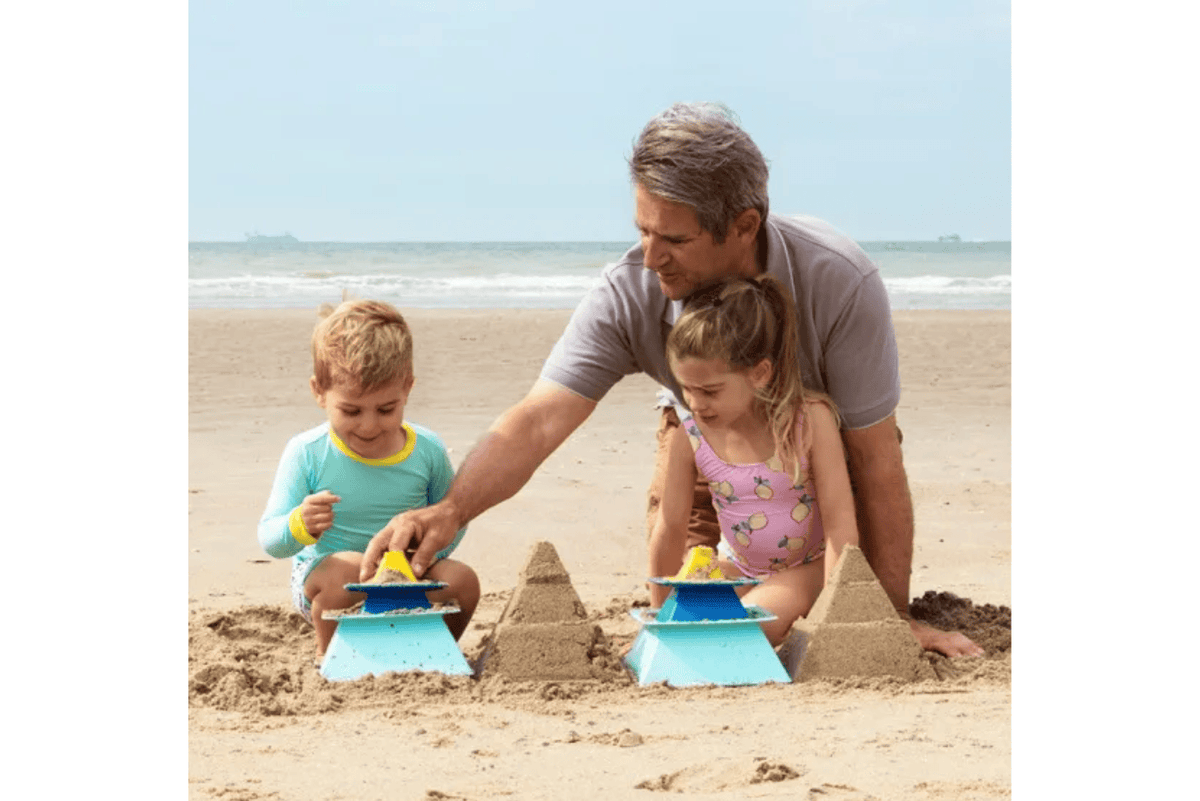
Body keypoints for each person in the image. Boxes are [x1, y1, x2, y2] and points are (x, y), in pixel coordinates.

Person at [361, 101, 982, 658]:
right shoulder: (631, 289)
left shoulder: (839, 279)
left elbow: (875, 458)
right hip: (709, 442)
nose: (651, 256)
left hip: (816, 450)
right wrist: (451, 509)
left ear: (744, 226)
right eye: (643, 230)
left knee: (831, 553)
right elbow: (541, 418)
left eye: (675, 239)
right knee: (695, 590)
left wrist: (885, 617)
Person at [258, 299, 480, 660]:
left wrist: (420, 557)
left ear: (407, 388)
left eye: (386, 409)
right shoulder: (308, 452)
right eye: (351, 411)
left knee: (463, 581)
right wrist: (300, 525)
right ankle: (332, 660)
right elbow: (270, 538)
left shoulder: (426, 450)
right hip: (330, 584)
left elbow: (454, 519)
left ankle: (431, 654)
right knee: (347, 566)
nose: (369, 426)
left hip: (407, 577)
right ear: (319, 391)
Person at [651, 276, 859, 646]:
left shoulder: (808, 421)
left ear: (759, 374)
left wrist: (834, 613)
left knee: (742, 628)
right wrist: (658, 621)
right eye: (686, 389)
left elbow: (840, 524)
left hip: (804, 569)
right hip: (736, 566)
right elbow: (669, 529)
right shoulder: (690, 436)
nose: (695, 404)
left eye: (709, 391)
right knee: (686, 624)